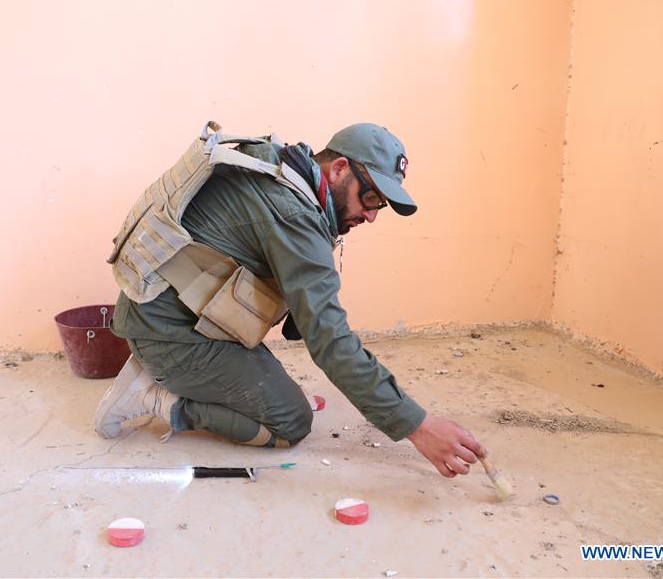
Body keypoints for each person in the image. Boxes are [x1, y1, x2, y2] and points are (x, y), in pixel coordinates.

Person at [95, 122, 486, 478]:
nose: (371, 216)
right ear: (338, 170)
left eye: (380, 205)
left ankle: (168, 369)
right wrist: (417, 425)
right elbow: (330, 342)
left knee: (273, 392)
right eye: (370, 197)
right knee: (289, 422)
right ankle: (154, 397)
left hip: (168, 311)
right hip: (169, 332)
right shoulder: (292, 215)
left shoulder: (276, 165)